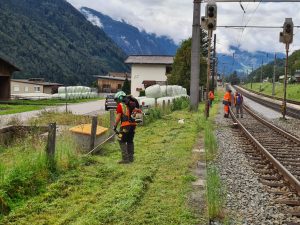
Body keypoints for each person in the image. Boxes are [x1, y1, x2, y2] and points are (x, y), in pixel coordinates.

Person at [113, 91, 139, 164]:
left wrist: (114, 126)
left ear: (120, 98)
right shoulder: (131, 104)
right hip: (133, 125)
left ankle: (125, 159)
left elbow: (118, 117)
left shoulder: (121, 105)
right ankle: (131, 158)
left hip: (125, 126)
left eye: (117, 100)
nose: (117, 102)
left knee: (121, 140)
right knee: (130, 140)